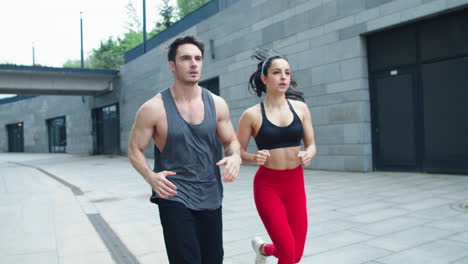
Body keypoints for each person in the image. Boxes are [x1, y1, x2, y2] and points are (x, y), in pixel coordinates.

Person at [128, 35, 241, 264]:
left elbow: (231, 142)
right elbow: (134, 149)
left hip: (210, 193)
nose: (193, 64)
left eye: (198, 58)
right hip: (174, 195)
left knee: (212, 260)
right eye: (186, 58)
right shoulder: (153, 108)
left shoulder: (217, 104)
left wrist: (235, 157)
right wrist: (150, 176)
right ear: (172, 65)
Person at [237, 50, 316, 264]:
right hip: (268, 186)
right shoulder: (251, 115)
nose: (283, 77)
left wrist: (308, 153)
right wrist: (254, 158)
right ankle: (266, 249)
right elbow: (237, 152)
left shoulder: (301, 109)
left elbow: (311, 144)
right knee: (288, 256)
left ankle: (262, 250)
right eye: (277, 72)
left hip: (295, 184)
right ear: (264, 78)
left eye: (287, 73)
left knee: (294, 254)